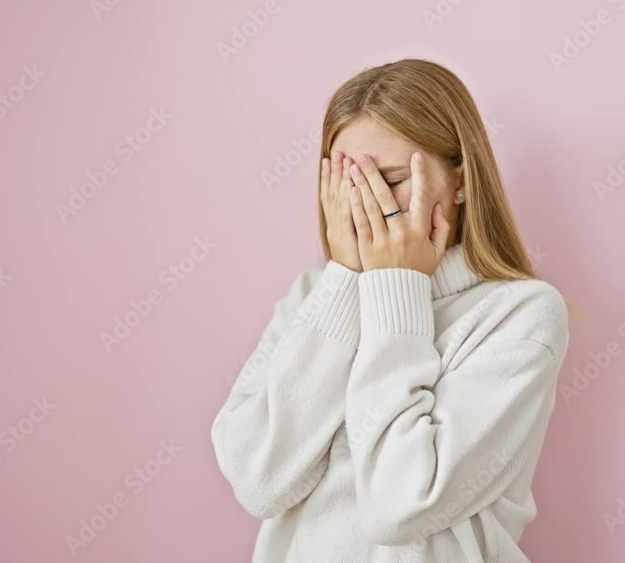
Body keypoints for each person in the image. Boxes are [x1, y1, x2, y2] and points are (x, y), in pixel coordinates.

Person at [211, 58, 569, 563]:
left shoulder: (521, 315)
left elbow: (400, 508)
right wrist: (346, 282)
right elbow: (259, 482)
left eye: (392, 180)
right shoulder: (311, 297)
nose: (370, 207)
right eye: (351, 184)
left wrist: (397, 286)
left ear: (460, 179)